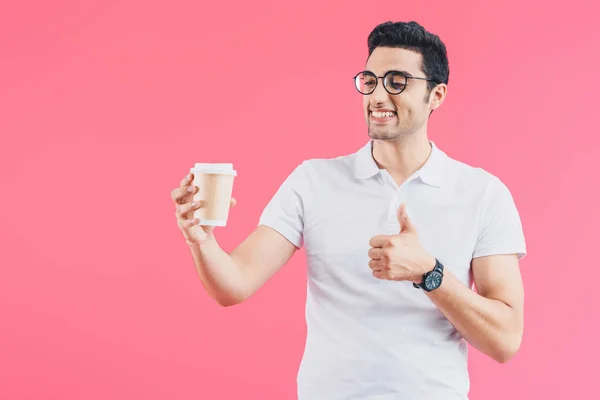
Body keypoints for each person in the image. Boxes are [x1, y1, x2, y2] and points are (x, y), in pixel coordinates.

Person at [171, 21, 526, 400]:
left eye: (397, 81)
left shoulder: (483, 194)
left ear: (436, 95)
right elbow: (234, 284)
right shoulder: (313, 181)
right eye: (370, 80)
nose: (377, 95)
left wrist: (429, 273)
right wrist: (200, 239)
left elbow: (504, 340)